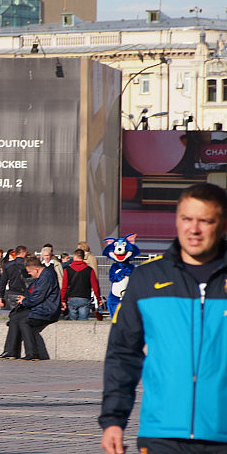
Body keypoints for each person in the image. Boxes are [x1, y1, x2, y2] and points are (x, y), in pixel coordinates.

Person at [100, 183, 227, 454]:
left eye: (205, 221)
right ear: (177, 221)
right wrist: (113, 420)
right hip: (161, 433)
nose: (194, 229)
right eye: (186, 219)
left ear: (223, 224)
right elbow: (123, 353)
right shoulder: (147, 279)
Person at [60, 249, 103, 320]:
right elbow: (95, 286)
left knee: (72, 323)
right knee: (83, 323)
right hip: (85, 298)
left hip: (71, 298)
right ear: (83, 257)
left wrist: (62, 300)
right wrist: (99, 299)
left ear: (74, 257)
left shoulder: (67, 270)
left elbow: (64, 286)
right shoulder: (89, 270)